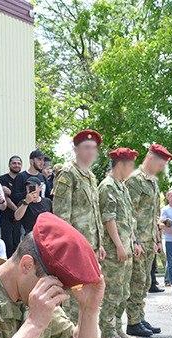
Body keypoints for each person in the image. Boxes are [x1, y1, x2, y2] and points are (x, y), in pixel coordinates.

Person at [53, 130, 106, 327]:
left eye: (93, 148)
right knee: (75, 293)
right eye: (86, 147)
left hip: (90, 245)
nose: (91, 152)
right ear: (75, 149)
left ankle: (85, 334)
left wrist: (99, 243)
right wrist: (67, 246)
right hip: (75, 246)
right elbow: (61, 215)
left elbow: (95, 213)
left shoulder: (91, 177)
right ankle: (72, 337)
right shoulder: (68, 174)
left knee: (89, 291)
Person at [124, 143, 172, 336]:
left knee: (145, 282)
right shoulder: (135, 180)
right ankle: (133, 323)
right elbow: (130, 214)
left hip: (149, 239)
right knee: (136, 281)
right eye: (161, 164)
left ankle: (139, 317)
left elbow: (153, 215)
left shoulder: (152, 181)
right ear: (150, 158)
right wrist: (134, 240)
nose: (162, 168)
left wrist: (156, 239)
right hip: (137, 241)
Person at [98, 147, 140, 338]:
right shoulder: (107, 187)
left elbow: (128, 219)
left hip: (126, 247)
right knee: (112, 291)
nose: (132, 169)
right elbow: (109, 219)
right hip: (115, 249)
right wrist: (119, 245)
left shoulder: (121, 186)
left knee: (124, 292)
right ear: (121, 164)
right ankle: (107, 330)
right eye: (130, 164)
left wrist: (133, 242)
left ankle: (117, 328)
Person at [0, 155, 23, 256]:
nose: (16, 165)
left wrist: (19, 213)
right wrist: (17, 210)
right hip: (6, 217)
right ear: (9, 165)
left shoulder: (23, 179)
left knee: (17, 244)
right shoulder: (2, 179)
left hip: (19, 218)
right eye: (14, 163)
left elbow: (24, 196)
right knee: (7, 244)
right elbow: (5, 198)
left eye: (19, 163)